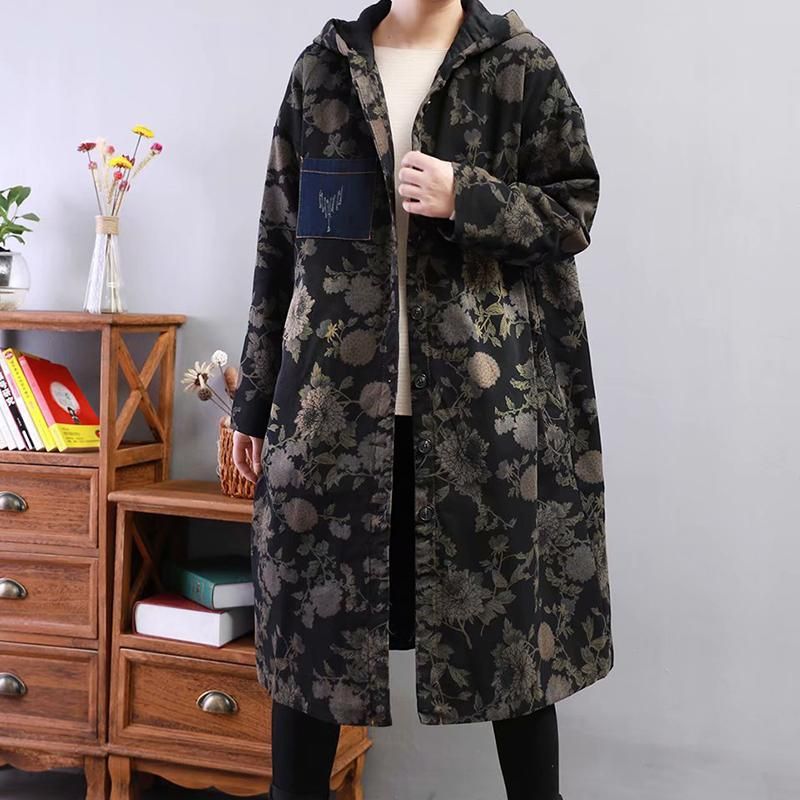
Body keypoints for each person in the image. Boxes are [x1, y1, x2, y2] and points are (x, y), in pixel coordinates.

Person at [232, 1, 613, 798]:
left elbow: (573, 206)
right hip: (331, 420)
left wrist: (465, 196)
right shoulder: (322, 69)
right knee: (311, 651)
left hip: (484, 421)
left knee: (516, 649)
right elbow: (279, 241)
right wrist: (253, 402)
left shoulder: (517, 63)